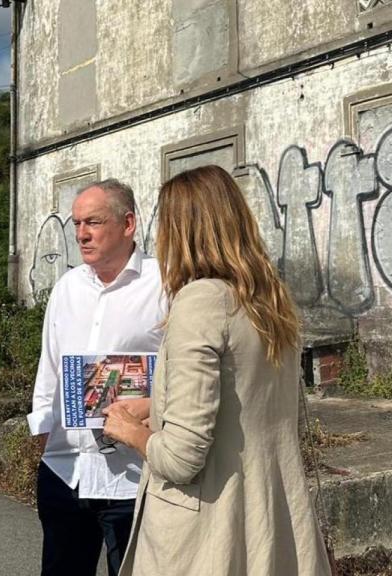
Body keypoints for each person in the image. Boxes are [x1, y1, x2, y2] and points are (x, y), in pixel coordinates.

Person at [103, 165, 332, 576]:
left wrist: (130, 430)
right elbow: (252, 402)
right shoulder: (269, 299)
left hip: (208, 531)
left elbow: (180, 458)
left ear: (179, 231)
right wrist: (158, 404)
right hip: (270, 516)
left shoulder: (200, 301)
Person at [27, 179, 165, 576]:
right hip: (65, 469)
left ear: (128, 224)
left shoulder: (163, 283)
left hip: (132, 474)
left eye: (93, 222)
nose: (82, 234)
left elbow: (183, 371)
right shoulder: (67, 287)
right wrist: (40, 427)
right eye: (77, 224)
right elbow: (50, 365)